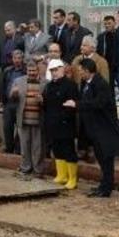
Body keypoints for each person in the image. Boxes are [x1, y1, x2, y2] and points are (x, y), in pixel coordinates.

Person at [78, 58, 119, 198]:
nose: (79, 73)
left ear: (87, 71)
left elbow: (99, 103)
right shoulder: (87, 83)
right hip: (95, 129)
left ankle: (106, 188)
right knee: (101, 158)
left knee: (106, 159)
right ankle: (103, 185)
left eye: (81, 71)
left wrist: (78, 104)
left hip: (105, 128)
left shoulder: (100, 84)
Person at [43, 59, 80, 190]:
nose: (54, 73)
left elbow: (73, 105)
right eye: (52, 70)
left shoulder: (70, 85)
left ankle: (72, 178)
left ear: (62, 69)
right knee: (57, 150)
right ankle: (61, 175)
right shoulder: (49, 86)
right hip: (52, 123)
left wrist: (64, 118)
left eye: (56, 70)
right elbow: (47, 104)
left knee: (68, 151)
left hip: (65, 124)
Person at [71, 36, 110, 159]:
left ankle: (92, 148)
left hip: (93, 97)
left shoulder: (101, 61)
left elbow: (105, 80)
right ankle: (82, 148)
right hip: (80, 95)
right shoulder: (77, 60)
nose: (81, 47)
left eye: (85, 45)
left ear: (93, 47)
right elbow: (72, 76)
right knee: (81, 123)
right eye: (81, 45)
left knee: (93, 123)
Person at [11, 60, 46, 178]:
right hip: (23, 119)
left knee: (38, 147)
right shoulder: (18, 81)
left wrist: (43, 101)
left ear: (38, 70)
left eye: (34, 70)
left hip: (38, 120)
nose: (31, 73)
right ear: (26, 70)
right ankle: (26, 168)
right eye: (29, 70)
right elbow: (12, 99)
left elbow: (50, 102)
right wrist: (13, 94)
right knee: (24, 146)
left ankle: (38, 170)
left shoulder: (45, 83)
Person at [0, 49, 26, 154]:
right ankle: (9, 147)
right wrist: (1, 100)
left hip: (21, 102)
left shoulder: (26, 71)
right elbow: (2, 86)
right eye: (15, 58)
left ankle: (18, 147)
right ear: (12, 59)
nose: (17, 60)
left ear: (22, 59)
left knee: (20, 127)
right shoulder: (7, 71)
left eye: (19, 58)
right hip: (9, 103)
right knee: (7, 126)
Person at [96, 15, 117, 86]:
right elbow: (98, 51)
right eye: (105, 24)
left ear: (114, 23)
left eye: (109, 23)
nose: (107, 25)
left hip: (118, 65)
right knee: (107, 85)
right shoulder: (101, 36)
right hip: (106, 65)